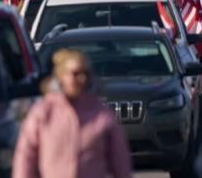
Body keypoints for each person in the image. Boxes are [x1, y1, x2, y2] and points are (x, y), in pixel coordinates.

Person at [13, 49, 132, 178]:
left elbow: (120, 161)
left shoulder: (102, 115)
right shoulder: (42, 113)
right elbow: (25, 157)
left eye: (85, 74)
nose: (81, 79)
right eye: (75, 74)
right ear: (61, 76)